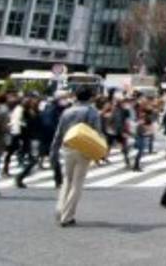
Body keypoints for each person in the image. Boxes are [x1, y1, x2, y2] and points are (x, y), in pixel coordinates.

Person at [52, 87, 103, 227]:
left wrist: (54, 149)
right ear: (90, 97)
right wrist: (100, 152)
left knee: (67, 180)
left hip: (68, 146)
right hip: (83, 148)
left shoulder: (67, 111)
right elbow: (97, 132)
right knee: (77, 182)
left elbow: (59, 132)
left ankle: (60, 209)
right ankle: (67, 216)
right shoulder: (92, 112)